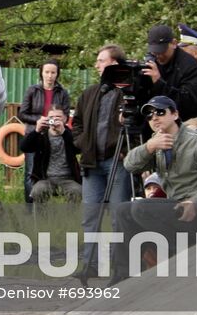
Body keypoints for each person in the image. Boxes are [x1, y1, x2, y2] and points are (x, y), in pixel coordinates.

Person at [110, 96, 197, 282]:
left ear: (175, 114)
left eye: (160, 112)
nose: (154, 118)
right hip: (176, 212)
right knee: (122, 211)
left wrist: (196, 202)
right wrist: (149, 147)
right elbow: (130, 165)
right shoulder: (156, 143)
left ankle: (183, 255)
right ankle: (123, 275)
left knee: (140, 208)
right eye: (149, 116)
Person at [71, 43, 132, 275]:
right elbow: (76, 123)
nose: (97, 65)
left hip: (118, 162)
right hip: (91, 163)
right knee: (90, 217)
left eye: (101, 60)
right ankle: (91, 265)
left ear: (114, 64)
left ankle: (120, 267)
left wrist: (128, 149)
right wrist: (81, 143)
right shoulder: (90, 93)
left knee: (118, 216)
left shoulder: (128, 92)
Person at [18, 60, 72, 204]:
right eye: (47, 72)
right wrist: (40, 120)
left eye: (53, 72)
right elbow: (22, 114)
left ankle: (49, 206)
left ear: (57, 74)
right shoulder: (32, 90)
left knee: (51, 171)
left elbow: (66, 114)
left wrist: (58, 122)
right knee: (31, 172)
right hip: (35, 135)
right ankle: (30, 208)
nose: (49, 76)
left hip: (56, 136)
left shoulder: (63, 93)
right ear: (41, 73)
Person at [144, 23, 197, 122]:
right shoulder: (152, 62)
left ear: (174, 43)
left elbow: (188, 103)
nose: (158, 56)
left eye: (162, 51)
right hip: (161, 125)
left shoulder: (190, 66)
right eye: (155, 52)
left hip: (190, 125)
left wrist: (159, 83)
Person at [21, 107, 82, 202]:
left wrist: (63, 132)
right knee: (38, 190)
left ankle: (71, 217)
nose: (54, 120)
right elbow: (24, 148)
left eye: (58, 117)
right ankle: (41, 217)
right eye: (51, 117)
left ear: (65, 119)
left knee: (77, 191)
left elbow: (79, 149)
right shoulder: (42, 135)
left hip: (68, 179)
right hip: (46, 179)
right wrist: (36, 130)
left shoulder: (69, 134)